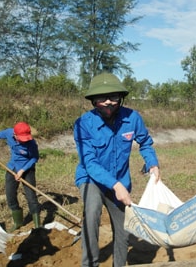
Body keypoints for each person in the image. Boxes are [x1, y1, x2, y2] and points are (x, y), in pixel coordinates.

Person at [74, 72, 160, 267]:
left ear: (120, 98)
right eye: (102, 98)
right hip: (91, 179)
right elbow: (89, 162)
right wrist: (115, 185)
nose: (108, 102)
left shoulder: (133, 118)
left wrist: (152, 163)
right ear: (93, 100)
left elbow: (145, 143)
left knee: (123, 229)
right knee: (92, 211)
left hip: (120, 179)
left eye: (113, 97)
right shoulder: (83, 124)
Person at [0, 121, 40, 232]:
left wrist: (22, 170)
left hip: (27, 169)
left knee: (31, 197)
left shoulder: (31, 143)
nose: (24, 140)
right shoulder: (8, 133)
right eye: (22, 138)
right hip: (12, 168)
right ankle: (18, 222)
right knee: (10, 196)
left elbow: (35, 158)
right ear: (14, 135)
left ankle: (38, 226)